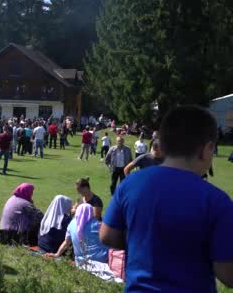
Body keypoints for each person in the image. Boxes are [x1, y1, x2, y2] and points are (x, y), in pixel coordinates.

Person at [100, 105, 233, 291]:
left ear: (161, 146)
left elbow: (107, 236)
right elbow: (227, 273)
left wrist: (145, 241)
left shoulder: (131, 184)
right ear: (207, 149)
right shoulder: (217, 201)